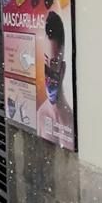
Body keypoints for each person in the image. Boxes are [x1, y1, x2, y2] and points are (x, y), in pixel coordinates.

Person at [36, 11, 75, 148]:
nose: (48, 72)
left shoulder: (72, 121)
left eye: (53, 64)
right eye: (45, 62)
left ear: (63, 69)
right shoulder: (41, 114)